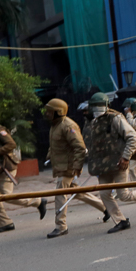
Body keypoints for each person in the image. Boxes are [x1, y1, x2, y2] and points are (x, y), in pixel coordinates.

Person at [84, 92, 136, 234]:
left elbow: (133, 137)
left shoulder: (115, 118)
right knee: (104, 194)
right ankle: (121, 221)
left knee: (123, 195)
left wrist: (125, 157)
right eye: (95, 106)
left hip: (119, 162)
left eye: (100, 106)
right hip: (102, 166)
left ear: (106, 105)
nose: (97, 109)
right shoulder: (91, 122)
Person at [0, 108, 46, 234]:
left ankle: (38, 201)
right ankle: (5, 223)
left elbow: (11, 144)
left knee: (7, 196)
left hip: (6, 167)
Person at [43, 98, 106, 238]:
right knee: (76, 192)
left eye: (49, 111)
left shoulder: (68, 125)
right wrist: (49, 156)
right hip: (60, 165)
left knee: (60, 194)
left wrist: (77, 166)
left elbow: (80, 147)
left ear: (58, 112)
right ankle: (105, 208)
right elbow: (55, 144)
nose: (47, 113)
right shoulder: (55, 125)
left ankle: (60, 226)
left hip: (68, 167)